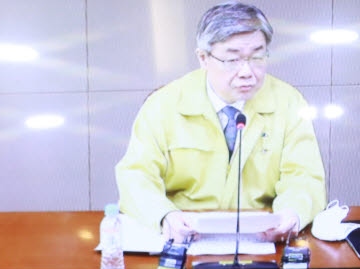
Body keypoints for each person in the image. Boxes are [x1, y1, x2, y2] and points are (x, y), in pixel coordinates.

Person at [115, 2, 326, 243]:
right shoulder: (163, 104)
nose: (247, 71)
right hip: (185, 232)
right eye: (232, 59)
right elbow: (136, 175)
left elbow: (304, 175)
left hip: (262, 234)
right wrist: (165, 216)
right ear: (203, 58)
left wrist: (293, 213)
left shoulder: (288, 102)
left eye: (257, 56)